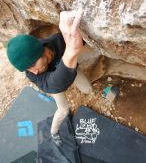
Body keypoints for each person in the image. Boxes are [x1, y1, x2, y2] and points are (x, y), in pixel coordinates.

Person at [6, 10, 93, 146]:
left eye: (33, 65)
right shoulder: (32, 74)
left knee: (88, 89)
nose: (34, 72)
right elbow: (53, 85)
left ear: (44, 51)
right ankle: (54, 132)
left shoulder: (58, 41)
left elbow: (83, 38)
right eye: (28, 69)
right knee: (63, 110)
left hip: (68, 68)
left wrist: (75, 35)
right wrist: (71, 52)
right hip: (56, 79)